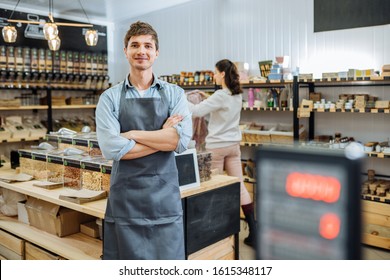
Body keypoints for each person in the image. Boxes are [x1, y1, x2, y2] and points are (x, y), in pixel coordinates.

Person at [95, 21, 192, 260]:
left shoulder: (174, 94)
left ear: (156, 52)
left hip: (164, 201)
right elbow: (111, 148)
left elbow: (179, 141)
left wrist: (132, 135)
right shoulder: (109, 98)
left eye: (148, 46)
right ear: (125, 51)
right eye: (135, 45)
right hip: (126, 202)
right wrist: (161, 135)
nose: (142, 51)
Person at [187, 59, 256, 247]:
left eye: (216, 72)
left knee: (212, 187)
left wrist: (182, 101)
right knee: (239, 186)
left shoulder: (219, 95)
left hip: (216, 148)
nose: (214, 75)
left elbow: (197, 112)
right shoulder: (236, 95)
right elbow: (220, 104)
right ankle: (254, 231)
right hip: (233, 146)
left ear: (223, 74)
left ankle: (212, 230)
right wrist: (207, 96)